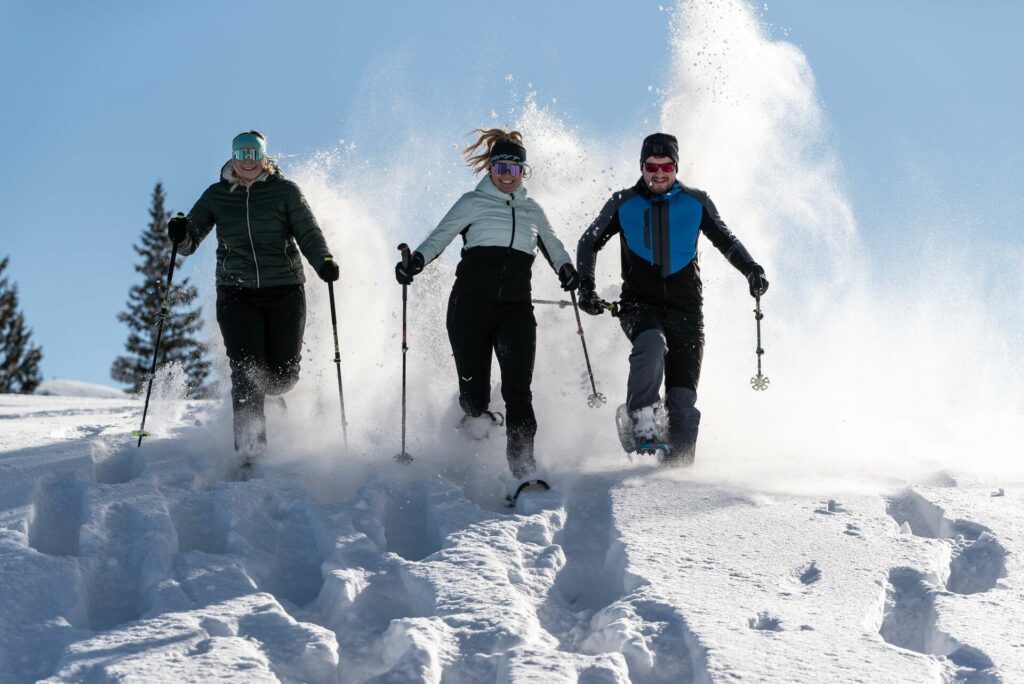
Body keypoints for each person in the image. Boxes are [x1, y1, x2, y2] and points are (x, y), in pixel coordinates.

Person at [395, 128, 580, 482]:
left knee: (518, 392)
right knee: (474, 399)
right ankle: (474, 412)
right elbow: (440, 236)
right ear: (490, 169)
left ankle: (523, 470)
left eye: (514, 169)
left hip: (516, 311)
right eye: (500, 168)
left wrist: (566, 269)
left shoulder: (533, 210)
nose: (506, 175)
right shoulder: (472, 202)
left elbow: (554, 246)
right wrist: (413, 263)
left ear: (523, 172)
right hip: (470, 308)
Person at [576, 132, 768, 466]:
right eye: (652, 166)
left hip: (687, 310)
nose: (659, 173)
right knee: (651, 346)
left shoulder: (696, 202)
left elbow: (727, 241)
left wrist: (752, 270)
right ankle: (641, 416)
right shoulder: (623, 203)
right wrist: (587, 289)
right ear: (642, 166)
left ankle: (676, 478)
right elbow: (589, 241)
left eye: (667, 165)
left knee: (682, 402)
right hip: (638, 304)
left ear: (676, 167)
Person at [167, 130, 339, 459]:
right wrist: (179, 233)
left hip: (285, 290)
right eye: (241, 154)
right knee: (247, 369)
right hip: (236, 293)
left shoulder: (286, 192)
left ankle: (277, 395)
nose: (248, 161)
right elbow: (190, 240)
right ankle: (249, 450)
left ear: (264, 157)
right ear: (232, 157)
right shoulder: (217, 195)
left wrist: (323, 262)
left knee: (282, 376)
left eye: (253, 154)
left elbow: (308, 231)